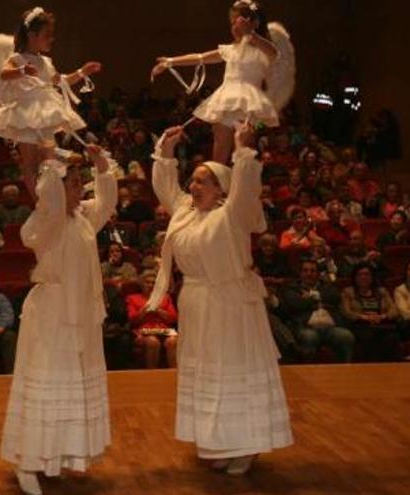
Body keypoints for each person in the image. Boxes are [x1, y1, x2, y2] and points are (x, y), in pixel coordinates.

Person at [148, 124, 291, 475]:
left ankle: (247, 445)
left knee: (234, 372)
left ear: (221, 189)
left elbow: (245, 189)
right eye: (193, 180)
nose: (193, 186)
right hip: (196, 304)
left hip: (231, 306)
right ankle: (220, 441)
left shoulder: (232, 215)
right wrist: (166, 150)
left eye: (202, 181)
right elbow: (165, 185)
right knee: (208, 375)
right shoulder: (185, 211)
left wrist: (243, 149)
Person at [0, 142, 115, 495]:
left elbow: (107, 202)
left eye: (82, 182)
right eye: (74, 182)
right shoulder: (46, 222)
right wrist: (47, 158)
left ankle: (54, 456)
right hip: (51, 314)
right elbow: (47, 199)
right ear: (57, 187)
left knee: (68, 386)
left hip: (79, 314)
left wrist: (102, 167)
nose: (80, 188)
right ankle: (28, 464)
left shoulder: (82, 218)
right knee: (45, 382)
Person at [150, 1, 293, 164]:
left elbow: (274, 53)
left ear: (254, 23)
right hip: (226, 99)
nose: (234, 27)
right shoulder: (229, 50)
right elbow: (201, 57)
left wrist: (250, 34)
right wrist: (171, 61)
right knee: (219, 153)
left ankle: (242, 183)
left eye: (238, 22)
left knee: (244, 152)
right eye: (232, 23)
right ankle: (219, 183)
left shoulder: (263, 49)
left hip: (249, 103)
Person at [0, 7, 102, 197]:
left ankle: (52, 187)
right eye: (47, 35)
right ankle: (40, 202)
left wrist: (82, 72)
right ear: (32, 35)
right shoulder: (17, 58)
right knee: (30, 163)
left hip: (45, 112)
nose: (51, 39)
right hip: (26, 113)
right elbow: (4, 74)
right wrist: (22, 71)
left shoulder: (46, 62)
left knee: (48, 156)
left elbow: (60, 81)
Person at [280, 259, 355, 363]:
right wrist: (317, 300)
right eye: (305, 271)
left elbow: (334, 297)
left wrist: (311, 297)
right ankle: (308, 374)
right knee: (310, 337)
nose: (309, 274)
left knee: (346, 336)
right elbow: (296, 303)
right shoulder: (292, 287)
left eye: (312, 271)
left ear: (318, 274)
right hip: (305, 326)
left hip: (329, 327)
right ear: (300, 273)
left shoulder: (327, 286)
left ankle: (345, 370)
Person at [340, 263, 400, 362]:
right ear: (355, 278)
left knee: (392, 337)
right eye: (359, 274)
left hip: (380, 324)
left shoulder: (382, 291)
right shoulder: (348, 292)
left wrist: (382, 317)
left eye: (366, 274)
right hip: (360, 325)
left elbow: (394, 311)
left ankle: (389, 370)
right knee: (369, 336)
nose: (363, 277)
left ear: (372, 277)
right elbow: (346, 312)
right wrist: (364, 317)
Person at [127, 270, 178, 368]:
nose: (150, 285)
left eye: (153, 283)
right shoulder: (132, 298)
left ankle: (174, 376)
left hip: (163, 329)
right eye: (147, 282)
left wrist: (158, 310)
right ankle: (152, 376)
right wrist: (145, 310)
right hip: (144, 330)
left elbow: (174, 318)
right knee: (153, 342)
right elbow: (132, 320)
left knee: (172, 341)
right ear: (141, 284)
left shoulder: (165, 298)